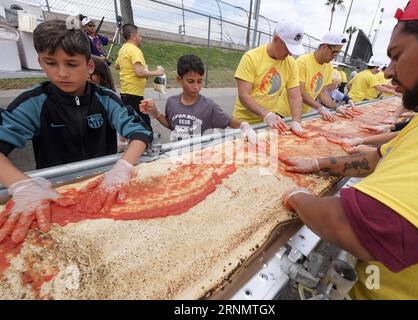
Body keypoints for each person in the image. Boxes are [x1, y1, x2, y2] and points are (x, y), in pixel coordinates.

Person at [281, 0, 418, 299]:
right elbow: (375, 159)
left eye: (396, 56)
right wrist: (318, 163)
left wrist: (296, 197)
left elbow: (361, 228)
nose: (387, 73)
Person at [0, 20, 153, 244]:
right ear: (41, 63)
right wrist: (22, 185)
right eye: (51, 63)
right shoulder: (33, 103)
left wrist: (123, 167)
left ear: (89, 66)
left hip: (104, 185)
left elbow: (140, 132)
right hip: (53, 193)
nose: (62, 73)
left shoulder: (106, 99)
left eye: (71, 64)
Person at [140, 54, 257, 143]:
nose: (196, 87)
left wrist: (244, 126)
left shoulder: (209, 106)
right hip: (177, 154)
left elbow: (229, 121)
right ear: (179, 80)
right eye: (191, 81)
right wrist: (155, 113)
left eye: (200, 81)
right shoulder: (171, 102)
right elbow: (172, 126)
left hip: (201, 157)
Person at [232, 18, 305, 136]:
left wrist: (296, 121)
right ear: (276, 39)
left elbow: (295, 97)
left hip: (268, 124)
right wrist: (266, 114)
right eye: (288, 48)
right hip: (243, 124)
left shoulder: (290, 63)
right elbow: (244, 95)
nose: (290, 54)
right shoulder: (251, 57)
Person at [279, 31, 355, 122]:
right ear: (324, 47)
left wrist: (336, 107)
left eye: (338, 53)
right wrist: (320, 107)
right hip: (286, 113)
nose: (334, 56)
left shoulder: (328, 66)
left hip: (303, 114)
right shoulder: (303, 62)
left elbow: (321, 92)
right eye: (334, 52)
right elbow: (300, 92)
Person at [115, 23, 164, 130]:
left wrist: (128, 67)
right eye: (139, 35)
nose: (140, 38)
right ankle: (148, 142)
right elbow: (140, 73)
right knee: (145, 122)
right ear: (133, 36)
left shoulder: (123, 49)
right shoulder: (135, 50)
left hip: (125, 92)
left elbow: (117, 66)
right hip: (133, 93)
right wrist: (157, 72)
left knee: (132, 119)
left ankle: (131, 139)